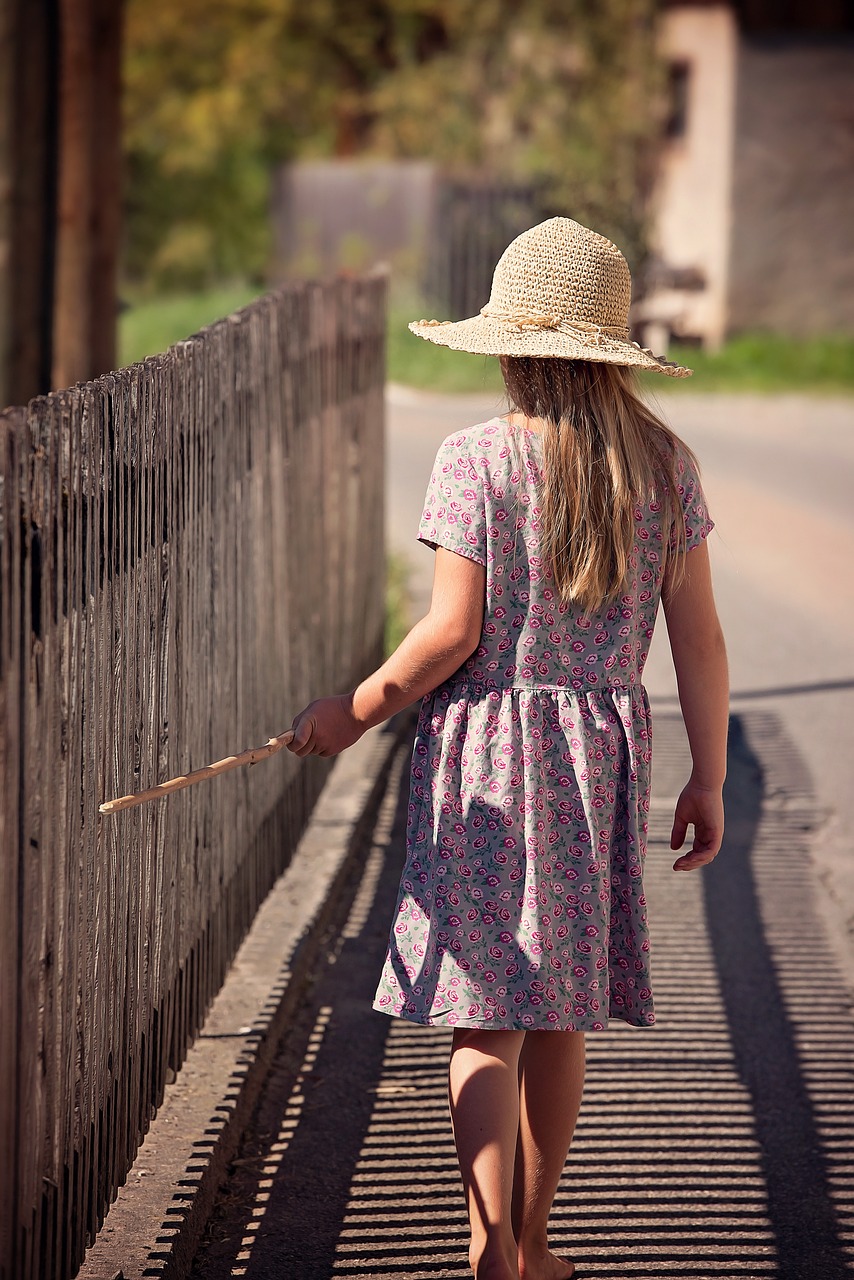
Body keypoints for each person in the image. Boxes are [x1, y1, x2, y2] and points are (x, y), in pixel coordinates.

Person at [286, 217, 729, 1280]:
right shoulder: (663, 464)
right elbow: (699, 639)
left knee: (485, 1011)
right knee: (561, 1007)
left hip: (486, 755)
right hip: (595, 762)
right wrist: (706, 774)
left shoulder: (473, 458)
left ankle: (485, 1238)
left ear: (505, 344)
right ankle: (532, 1240)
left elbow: (449, 634)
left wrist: (353, 708)